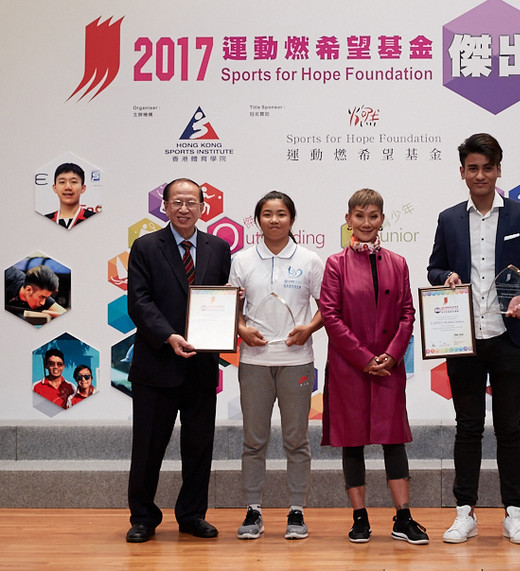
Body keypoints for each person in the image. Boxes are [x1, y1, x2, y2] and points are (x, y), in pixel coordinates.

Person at [427, 133, 520, 545]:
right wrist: (447, 278)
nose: (480, 175)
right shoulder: (448, 218)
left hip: (509, 335)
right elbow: (433, 269)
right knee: (468, 427)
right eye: (472, 168)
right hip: (463, 338)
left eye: (487, 167)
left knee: (510, 427)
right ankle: (465, 512)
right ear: (462, 173)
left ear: (498, 170)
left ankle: (514, 512)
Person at [319, 188, 429, 545]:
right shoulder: (336, 264)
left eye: (373, 216)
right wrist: (364, 358)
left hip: (388, 367)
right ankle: (360, 518)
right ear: (348, 219)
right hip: (350, 368)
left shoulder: (397, 263)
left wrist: (393, 355)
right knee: (352, 443)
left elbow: (407, 313)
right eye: (359, 216)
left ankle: (403, 518)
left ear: (382, 220)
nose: (366, 223)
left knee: (393, 440)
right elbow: (331, 316)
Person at [125, 178, 231, 543]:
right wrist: (168, 336)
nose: (184, 208)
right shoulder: (145, 246)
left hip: (201, 366)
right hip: (157, 363)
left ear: (203, 206)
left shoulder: (218, 247)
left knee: (199, 447)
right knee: (148, 446)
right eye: (177, 202)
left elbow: (215, 299)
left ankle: (191, 515)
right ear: (164, 207)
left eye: (191, 202)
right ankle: (142, 517)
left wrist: (234, 302)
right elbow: (139, 302)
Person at [228, 191, 324, 540]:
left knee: (296, 440)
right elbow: (228, 308)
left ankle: (296, 511)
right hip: (254, 361)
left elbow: (327, 306)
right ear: (258, 221)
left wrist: (308, 329)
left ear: (292, 220)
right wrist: (240, 329)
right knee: (254, 440)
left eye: (281, 214)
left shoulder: (310, 260)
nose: (274, 220)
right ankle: (253, 510)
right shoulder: (241, 260)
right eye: (267, 214)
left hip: (297, 360)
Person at [44, 163, 95, 229]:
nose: (68, 187)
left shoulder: (94, 219)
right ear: (55, 188)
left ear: (83, 188)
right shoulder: (45, 220)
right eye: (62, 182)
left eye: (73, 182)